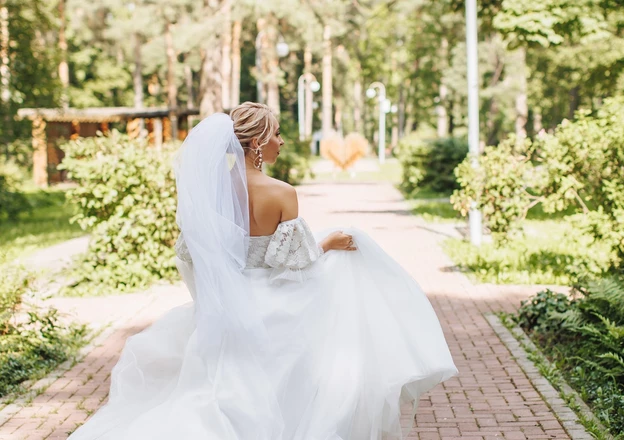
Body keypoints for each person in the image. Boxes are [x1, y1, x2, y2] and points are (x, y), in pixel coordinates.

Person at [69, 102, 457, 440]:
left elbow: (193, 258)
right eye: (277, 134)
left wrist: (212, 304)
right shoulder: (282, 193)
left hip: (229, 302)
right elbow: (293, 261)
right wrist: (330, 243)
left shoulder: (210, 193)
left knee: (222, 389)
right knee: (348, 269)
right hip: (274, 300)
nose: (282, 141)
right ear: (257, 144)